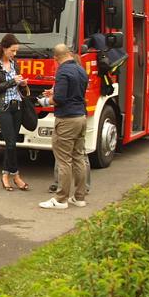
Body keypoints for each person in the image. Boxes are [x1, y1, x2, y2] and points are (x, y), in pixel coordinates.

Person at [38, 44, 89, 209]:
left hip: (67, 119)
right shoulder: (81, 69)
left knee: (63, 161)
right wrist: (54, 93)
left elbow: (59, 99)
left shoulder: (62, 71)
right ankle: (79, 197)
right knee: (79, 157)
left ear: (55, 58)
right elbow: (74, 93)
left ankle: (61, 200)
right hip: (81, 117)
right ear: (69, 54)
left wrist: (44, 101)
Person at [0, 34, 30, 191]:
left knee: (12, 144)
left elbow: (18, 86)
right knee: (10, 143)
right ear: (4, 48)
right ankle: (15, 176)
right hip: (2, 107)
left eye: (16, 51)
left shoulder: (15, 64)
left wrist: (22, 84)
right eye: (13, 50)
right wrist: (12, 82)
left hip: (16, 106)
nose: (15, 54)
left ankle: (6, 174)